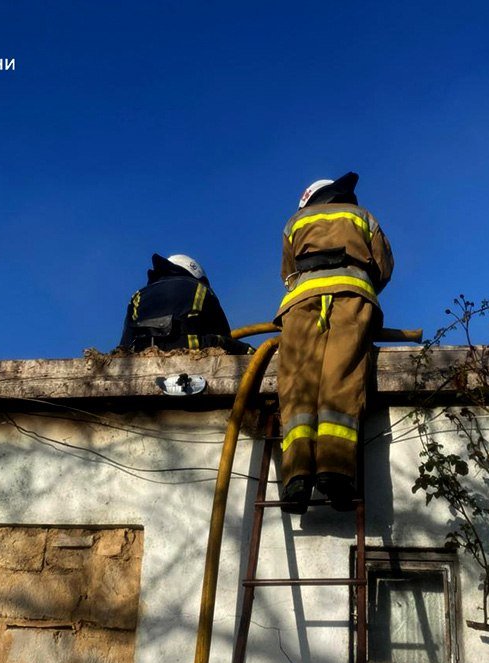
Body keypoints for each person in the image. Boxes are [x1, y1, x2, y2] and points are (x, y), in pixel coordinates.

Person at [274, 172, 394, 513]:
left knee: (297, 383)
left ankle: (297, 478)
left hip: (300, 304)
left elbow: (287, 275)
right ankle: (335, 471)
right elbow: (384, 265)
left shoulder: (294, 222)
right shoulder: (363, 216)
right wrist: (360, 282)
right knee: (341, 376)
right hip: (351, 299)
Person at [120, 254, 251, 354]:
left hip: (141, 356)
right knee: (245, 351)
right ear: (197, 275)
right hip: (192, 352)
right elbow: (223, 333)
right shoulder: (201, 289)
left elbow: (124, 344)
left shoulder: (137, 295)